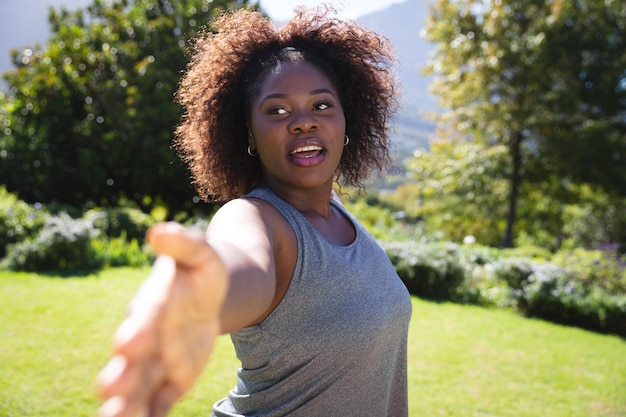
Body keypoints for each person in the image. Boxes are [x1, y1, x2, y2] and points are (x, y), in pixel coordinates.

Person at [97, 5, 412, 417]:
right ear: (249, 132)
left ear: (346, 119)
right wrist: (203, 295)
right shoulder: (256, 218)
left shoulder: (338, 216)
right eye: (277, 110)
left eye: (321, 106)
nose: (303, 123)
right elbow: (240, 261)